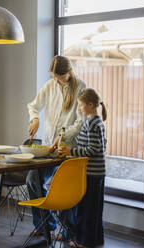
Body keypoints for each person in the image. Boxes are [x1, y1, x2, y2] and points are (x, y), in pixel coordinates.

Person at [26, 55, 86, 234]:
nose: (57, 81)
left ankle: (68, 231)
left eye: (60, 78)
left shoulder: (81, 88)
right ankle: (45, 227)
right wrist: (35, 118)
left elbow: (80, 122)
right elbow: (33, 105)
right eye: (54, 77)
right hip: (47, 148)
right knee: (32, 180)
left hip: (65, 150)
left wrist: (62, 136)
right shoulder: (49, 86)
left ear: (69, 72)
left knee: (62, 189)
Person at [58, 88, 107, 248]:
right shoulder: (97, 121)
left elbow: (93, 149)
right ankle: (96, 239)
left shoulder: (92, 122)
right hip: (98, 172)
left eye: (81, 105)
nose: (79, 108)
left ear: (90, 105)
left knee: (86, 210)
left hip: (91, 173)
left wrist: (71, 151)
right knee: (95, 209)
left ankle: (84, 242)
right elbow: (102, 144)